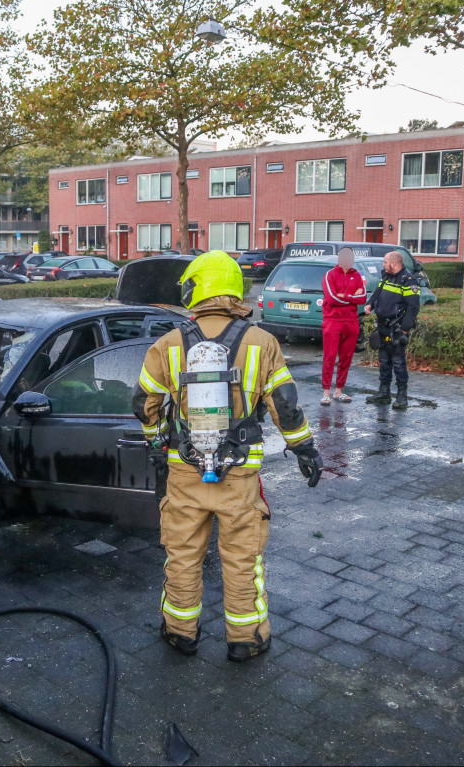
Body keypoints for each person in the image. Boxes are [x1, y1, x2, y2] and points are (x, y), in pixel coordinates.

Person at [131, 251, 321, 663]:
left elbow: (144, 401)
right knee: (241, 558)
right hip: (240, 474)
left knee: (182, 555)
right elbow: (284, 403)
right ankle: (246, 639)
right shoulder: (261, 342)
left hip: (185, 469)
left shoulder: (168, 344)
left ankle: (181, 632)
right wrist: (303, 446)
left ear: (196, 288)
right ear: (233, 289)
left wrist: (156, 443)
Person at [365, 251, 421, 410]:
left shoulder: (408, 280)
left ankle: (402, 396)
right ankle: (384, 393)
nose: (383, 265)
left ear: (394, 264)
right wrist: (371, 303)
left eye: (385, 262)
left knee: (398, 362)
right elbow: (377, 293)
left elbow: (413, 307)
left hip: (396, 328)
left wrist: (404, 329)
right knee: (384, 361)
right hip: (383, 326)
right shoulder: (387, 276)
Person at [320, 246, 367, 406]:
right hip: (332, 322)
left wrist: (346, 296)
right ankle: (326, 391)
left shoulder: (358, 276)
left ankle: (339, 390)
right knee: (330, 357)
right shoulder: (329, 275)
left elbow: (362, 298)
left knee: (346, 358)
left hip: (351, 322)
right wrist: (352, 297)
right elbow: (332, 298)